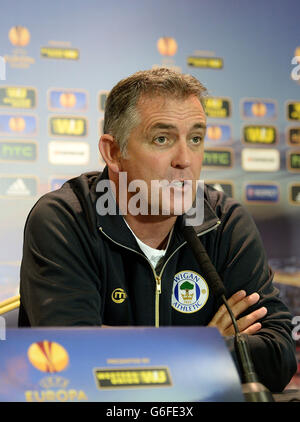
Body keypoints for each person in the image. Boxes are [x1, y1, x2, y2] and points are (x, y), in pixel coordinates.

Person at [18, 68, 297, 393]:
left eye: (195, 138)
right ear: (113, 152)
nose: (185, 160)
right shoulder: (64, 219)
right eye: (162, 139)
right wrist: (205, 343)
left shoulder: (224, 222)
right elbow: (71, 358)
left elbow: (277, 359)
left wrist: (147, 351)